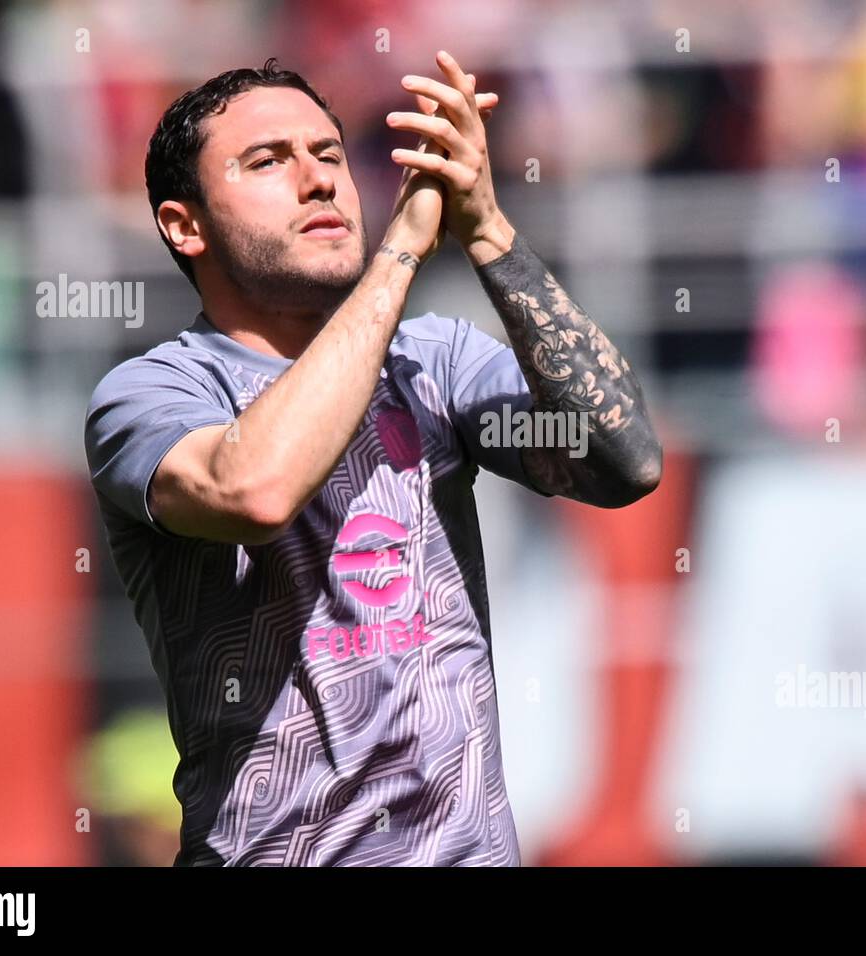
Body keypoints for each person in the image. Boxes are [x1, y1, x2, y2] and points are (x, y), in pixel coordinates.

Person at [84, 51, 661, 866]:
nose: (318, 180)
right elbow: (256, 490)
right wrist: (398, 260)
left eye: (327, 155)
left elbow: (623, 459)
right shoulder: (152, 395)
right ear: (186, 225)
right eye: (268, 161)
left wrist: (489, 230)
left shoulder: (438, 361)